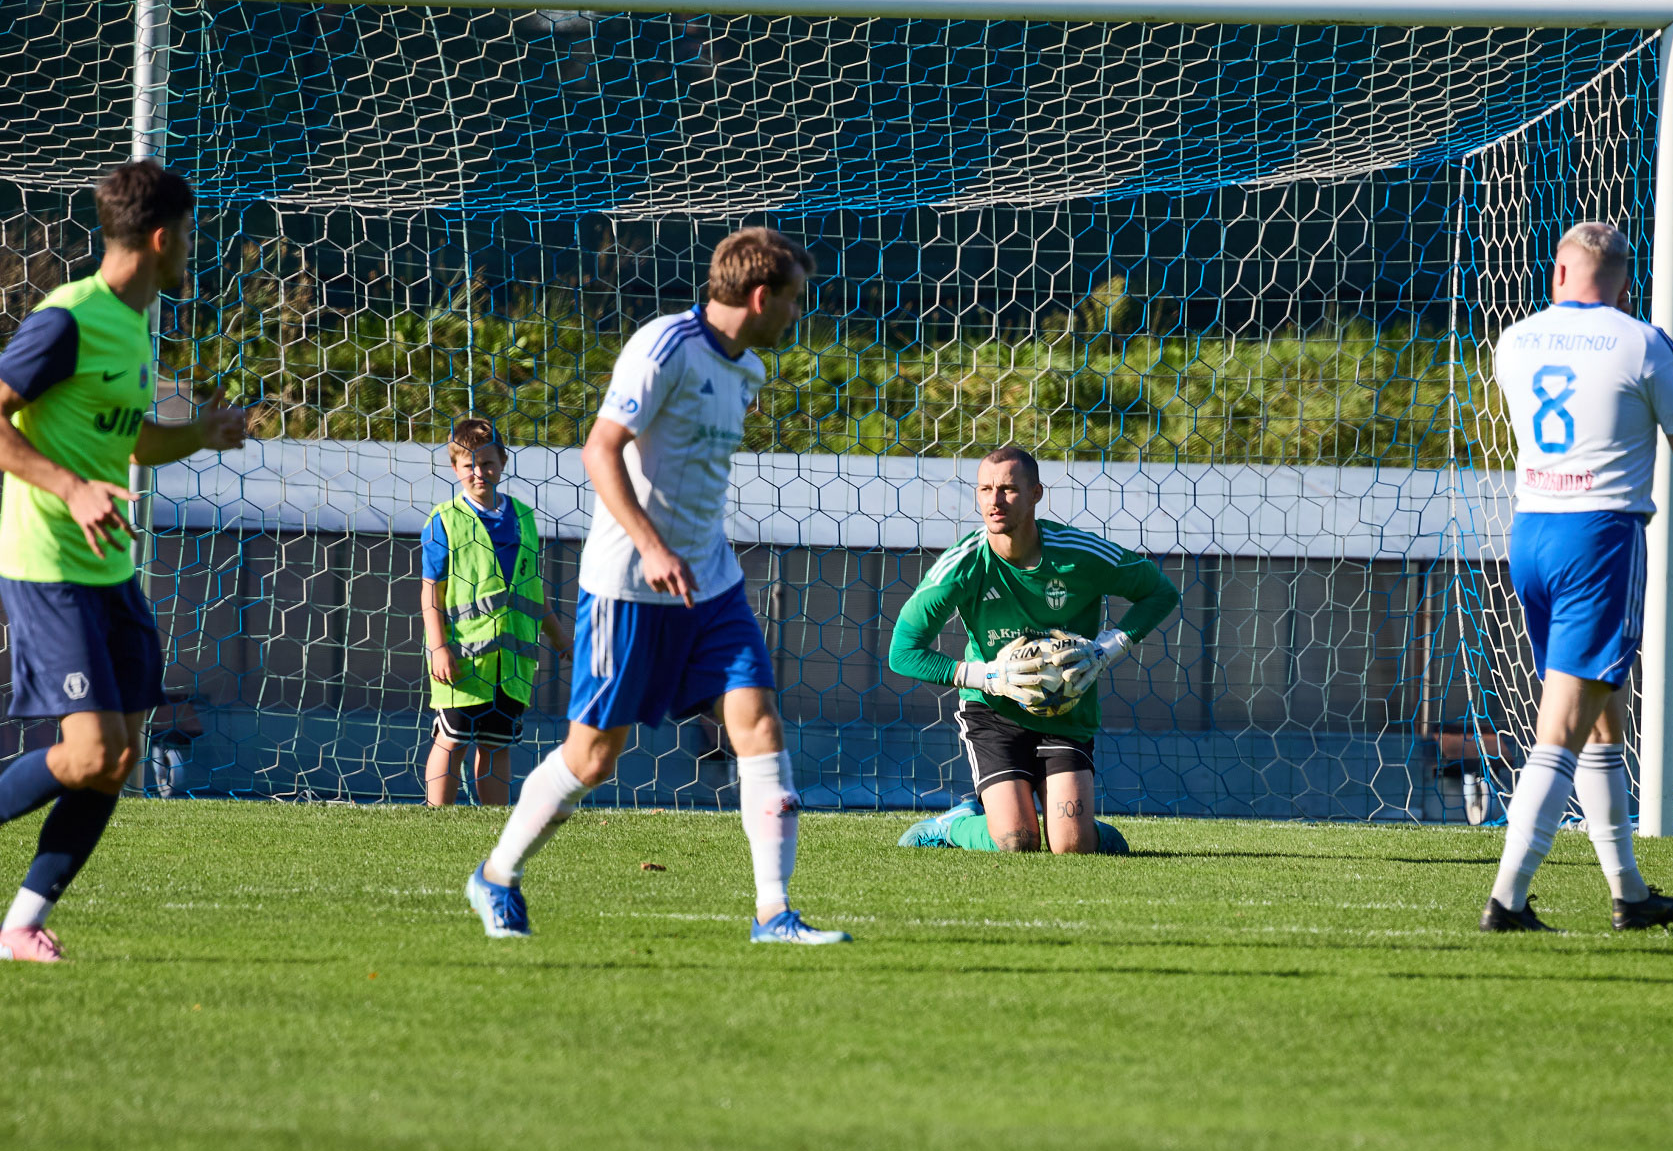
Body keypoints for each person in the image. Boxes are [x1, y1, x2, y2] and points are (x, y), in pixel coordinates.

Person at [466, 227, 850, 945]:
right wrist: (651, 546)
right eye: (794, 299)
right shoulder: (664, 346)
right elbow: (599, 449)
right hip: (629, 587)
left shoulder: (747, 369)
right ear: (760, 296)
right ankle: (497, 874)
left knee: (759, 724)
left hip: (712, 585)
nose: (798, 314)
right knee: (594, 757)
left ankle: (773, 913)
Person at [0, 159, 247, 961]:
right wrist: (72, 489)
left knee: (118, 760)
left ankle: (19, 927)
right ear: (161, 238)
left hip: (109, 571)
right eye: (188, 235)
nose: (191, 249)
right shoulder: (68, 318)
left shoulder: (135, 327)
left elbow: (131, 439)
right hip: (48, 565)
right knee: (91, 753)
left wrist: (201, 433)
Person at [1481, 220, 1673, 933]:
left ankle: (1630, 893)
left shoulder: (1515, 340)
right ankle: (1507, 901)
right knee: (1562, 724)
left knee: (1601, 717)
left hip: (1532, 534)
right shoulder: (1642, 343)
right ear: (1625, 283)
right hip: (1600, 538)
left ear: (1559, 273)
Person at [891, 446, 1179, 854]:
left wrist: (1106, 650)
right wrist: (990, 676)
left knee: (1072, 845)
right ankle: (955, 825)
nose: (994, 500)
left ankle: (1081, 828)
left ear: (1035, 494)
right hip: (992, 712)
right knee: (1016, 841)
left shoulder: (1079, 555)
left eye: (1008, 489)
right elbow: (903, 652)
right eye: (985, 489)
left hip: (1066, 711)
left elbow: (1160, 592)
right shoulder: (961, 566)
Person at [419, 418, 572, 806]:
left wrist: (559, 637)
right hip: (462, 660)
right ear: (454, 468)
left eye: (487, 463)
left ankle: (494, 821)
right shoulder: (444, 520)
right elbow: (431, 592)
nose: (478, 472)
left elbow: (532, 589)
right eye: (468, 465)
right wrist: (438, 648)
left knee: (497, 745)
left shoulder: (523, 518)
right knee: (452, 740)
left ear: (503, 462)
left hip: (513, 664)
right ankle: (435, 820)